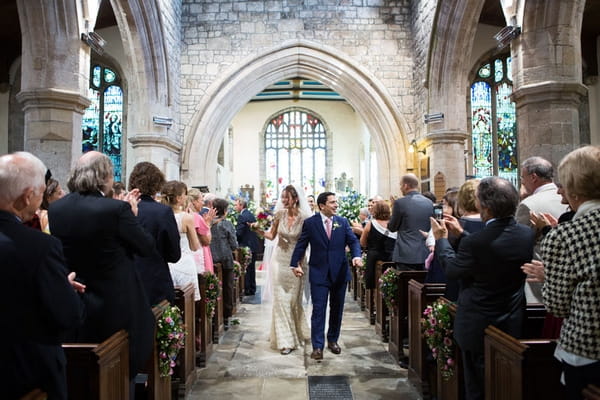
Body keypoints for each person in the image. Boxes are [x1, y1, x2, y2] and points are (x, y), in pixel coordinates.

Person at [48, 151, 156, 388]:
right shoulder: (115, 210)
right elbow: (146, 247)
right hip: (115, 303)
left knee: (84, 373)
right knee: (117, 371)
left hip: (78, 299)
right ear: (104, 176)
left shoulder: (56, 210)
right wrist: (133, 216)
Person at [431, 177, 535, 400]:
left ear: (483, 205)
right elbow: (492, 251)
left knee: (477, 387)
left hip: (477, 324)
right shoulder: (526, 234)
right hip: (510, 320)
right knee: (504, 386)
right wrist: (462, 236)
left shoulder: (476, 243)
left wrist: (442, 240)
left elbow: (452, 269)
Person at [0, 152, 85, 400]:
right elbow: (68, 315)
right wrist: (63, 288)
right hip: (23, 373)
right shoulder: (39, 246)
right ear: (27, 197)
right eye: (40, 193)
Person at [539, 145, 600, 399]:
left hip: (588, 351)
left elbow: (557, 305)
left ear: (573, 187)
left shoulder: (565, 234)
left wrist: (547, 277)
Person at [289, 191, 363, 360]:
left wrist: (357, 256)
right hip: (319, 272)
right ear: (322, 205)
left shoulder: (342, 222)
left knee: (337, 310)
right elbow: (302, 245)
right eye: (332, 202)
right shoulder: (311, 223)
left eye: (336, 202)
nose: (336, 205)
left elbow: (353, 241)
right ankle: (317, 346)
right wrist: (295, 263)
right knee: (319, 310)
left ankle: (333, 340)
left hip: (340, 273)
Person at [255, 185, 312, 355]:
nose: (283, 200)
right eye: (282, 197)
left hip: (297, 263)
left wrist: (299, 264)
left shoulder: (305, 218)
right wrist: (257, 229)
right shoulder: (279, 215)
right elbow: (271, 235)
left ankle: (297, 331)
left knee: (293, 301)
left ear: (295, 198)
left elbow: (305, 243)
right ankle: (285, 340)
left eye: (286, 197)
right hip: (279, 261)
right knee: (280, 300)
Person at [516, 156, 567, 303]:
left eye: (523, 177)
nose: (522, 181)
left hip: (539, 281)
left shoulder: (529, 204)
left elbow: (520, 243)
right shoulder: (567, 198)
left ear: (533, 177)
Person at [128, 161, 181, 306]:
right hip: (155, 283)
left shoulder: (121, 209)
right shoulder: (162, 212)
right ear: (157, 184)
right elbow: (174, 254)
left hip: (127, 284)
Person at [161, 181, 202, 301]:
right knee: (188, 304)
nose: (186, 197)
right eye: (185, 194)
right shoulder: (187, 217)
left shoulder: (160, 215)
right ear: (178, 198)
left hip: (167, 264)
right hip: (184, 263)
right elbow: (195, 246)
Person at [388, 173, 433, 270]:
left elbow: (392, 227)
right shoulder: (429, 203)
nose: (400, 188)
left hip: (405, 254)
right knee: (422, 284)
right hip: (425, 251)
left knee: (405, 284)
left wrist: (392, 209)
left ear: (405, 185)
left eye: (400, 185)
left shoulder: (400, 203)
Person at [210, 198, 239, 329]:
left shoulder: (208, 222)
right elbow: (234, 245)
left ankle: (213, 317)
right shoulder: (226, 224)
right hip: (225, 260)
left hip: (211, 260)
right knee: (227, 287)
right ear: (225, 211)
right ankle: (226, 316)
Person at [360, 201, 396, 290]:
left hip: (374, 258)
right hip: (391, 257)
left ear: (375, 211)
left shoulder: (370, 224)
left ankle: (373, 297)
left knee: (373, 284)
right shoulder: (394, 225)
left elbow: (362, 243)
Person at [187, 188, 216, 273]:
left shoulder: (186, 215)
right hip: (199, 253)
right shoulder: (196, 217)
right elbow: (206, 241)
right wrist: (208, 224)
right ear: (194, 202)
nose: (203, 203)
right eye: (201, 200)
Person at [235, 197, 259, 296]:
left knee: (247, 269)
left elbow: (239, 233)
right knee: (251, 268)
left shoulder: (242, 216)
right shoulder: (250, 214)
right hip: (253, 245)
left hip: (246, 245)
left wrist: (232, 235)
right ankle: (252, 288)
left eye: (236, 205)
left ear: (241, 205)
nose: (235, 207)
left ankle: (248, 289)